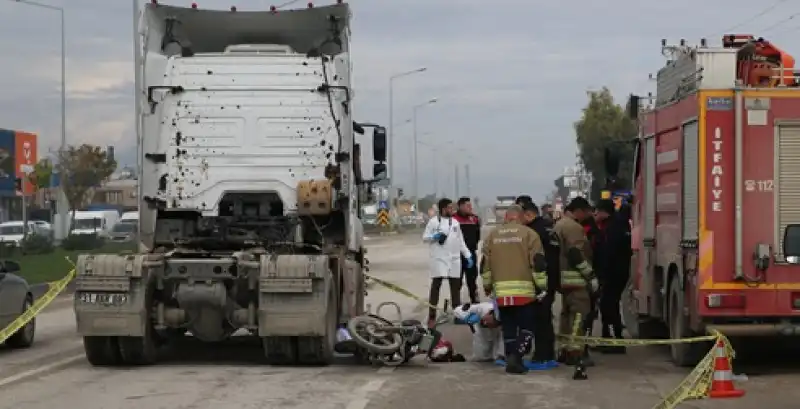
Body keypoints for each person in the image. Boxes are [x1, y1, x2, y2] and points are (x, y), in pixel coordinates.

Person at [480, 204, 547, 374]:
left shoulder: (492, 236)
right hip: (524, 292)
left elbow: (485, 267)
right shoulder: (530, 235)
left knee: (508, 327)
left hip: (501, 293)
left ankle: (510, 357)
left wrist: (487, 286)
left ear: (506, 217)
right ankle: (517, 357)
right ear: (521, 217)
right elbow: (538, 264)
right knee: (528, 327)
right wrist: (542, 287)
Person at [552, 197, 599, 366]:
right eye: (586, 212)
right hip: (577, 280)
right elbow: (576, 254)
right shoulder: (574, 227)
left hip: (563, 280)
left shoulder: (559, 225)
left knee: (566, 317)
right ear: (579, 210)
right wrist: (590, 275)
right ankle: (576, 353)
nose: (588, 216)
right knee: (579, 317)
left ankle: (565, 350)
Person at [518, 199, 559, 369]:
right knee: (545, 317)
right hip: (552, 277)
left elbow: (537, 260)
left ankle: (542, 354)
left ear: (528, 214)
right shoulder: (548, 227)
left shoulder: (533, 232)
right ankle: (547, 352)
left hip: (541, 280)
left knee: (540, 319)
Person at [423, 198, 474, 328]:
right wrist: (433, 237)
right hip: (439, 259)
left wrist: (468, 256)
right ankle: (432, 317)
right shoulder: (433, 222)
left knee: (455, 288)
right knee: (436, 288)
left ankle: (458, 315)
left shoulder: (455, 223)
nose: (452, 210)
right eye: (450, 207)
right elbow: (425, 237)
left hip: (454, 260)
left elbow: (461, 242)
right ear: (443, 209)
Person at [597, 197, 632, 353]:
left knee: (608, 305)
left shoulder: (612, 227)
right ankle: (611, 338)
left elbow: (608, 253)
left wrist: (602, 275)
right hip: (620, 271)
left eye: (598, 211)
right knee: (610, 304)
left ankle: (615, 340)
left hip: (613, 273)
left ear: (604, 212)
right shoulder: (620, 223)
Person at [452, 197, 481, 303]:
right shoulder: (453, 219)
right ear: (460, 206)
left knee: (472, 279)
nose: (470, 208)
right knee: (456, 281)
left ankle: (475, 300)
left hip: (470, 254)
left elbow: (477, 236)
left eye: (470, 205)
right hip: (456, 255)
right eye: (467, 206)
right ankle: (456, 304)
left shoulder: (475, 219)